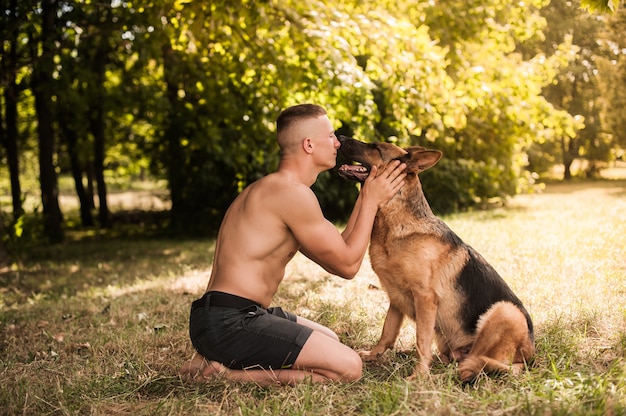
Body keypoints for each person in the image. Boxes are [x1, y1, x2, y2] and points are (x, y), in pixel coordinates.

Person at [178, 104, 406, 385]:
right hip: (231, 323)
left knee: (330, 340)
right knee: (349, 368)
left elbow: (341, 247)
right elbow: (347, 266)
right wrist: (371, 201)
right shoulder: (291, 194)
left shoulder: (274, 189)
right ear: (309, 144)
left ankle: (214, 359)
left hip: (226, 317)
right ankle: (226, 374)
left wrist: (366, 193)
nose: (337, 142)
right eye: (331, 135)